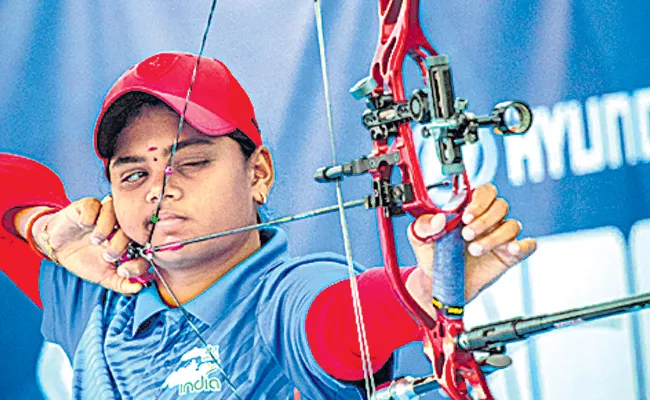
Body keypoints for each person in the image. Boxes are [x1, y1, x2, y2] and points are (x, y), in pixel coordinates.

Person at [0, 52, 536, 399]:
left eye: (191, 162)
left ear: (258, 174)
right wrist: (42, 231)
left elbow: (333, 325)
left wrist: (422, 290)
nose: (160, 189)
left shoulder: (285, 296)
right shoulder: (94, 290)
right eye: (133, 173)